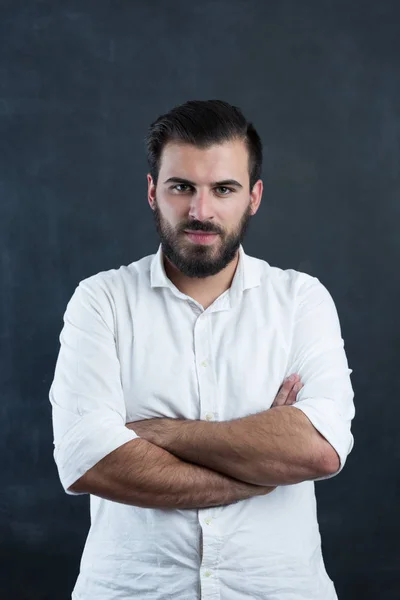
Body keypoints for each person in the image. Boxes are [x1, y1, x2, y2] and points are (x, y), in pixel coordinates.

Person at [49, 99, 355, 600]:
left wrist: (160, 434)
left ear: (253, 197)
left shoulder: (302, 299)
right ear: (152, 191)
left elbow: (317, 449)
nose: (200, 211)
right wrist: (256, 475)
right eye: (181, 187)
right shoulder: (100, 300)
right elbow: (92, 461)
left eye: (224, 189)